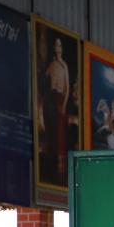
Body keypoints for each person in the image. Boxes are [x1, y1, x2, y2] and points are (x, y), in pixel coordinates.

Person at [42, 37, 70, 177]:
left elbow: (67, 89)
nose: (58, 48)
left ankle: (60, 169)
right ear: (54, 48)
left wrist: (63, 106)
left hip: (60, 100)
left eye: (60, 45)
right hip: (51, 100)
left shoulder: (64, 66)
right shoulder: (52, 65)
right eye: (56, 46)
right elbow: (45, 78)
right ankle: (50, 166)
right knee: (51, 133)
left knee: (60, 136)